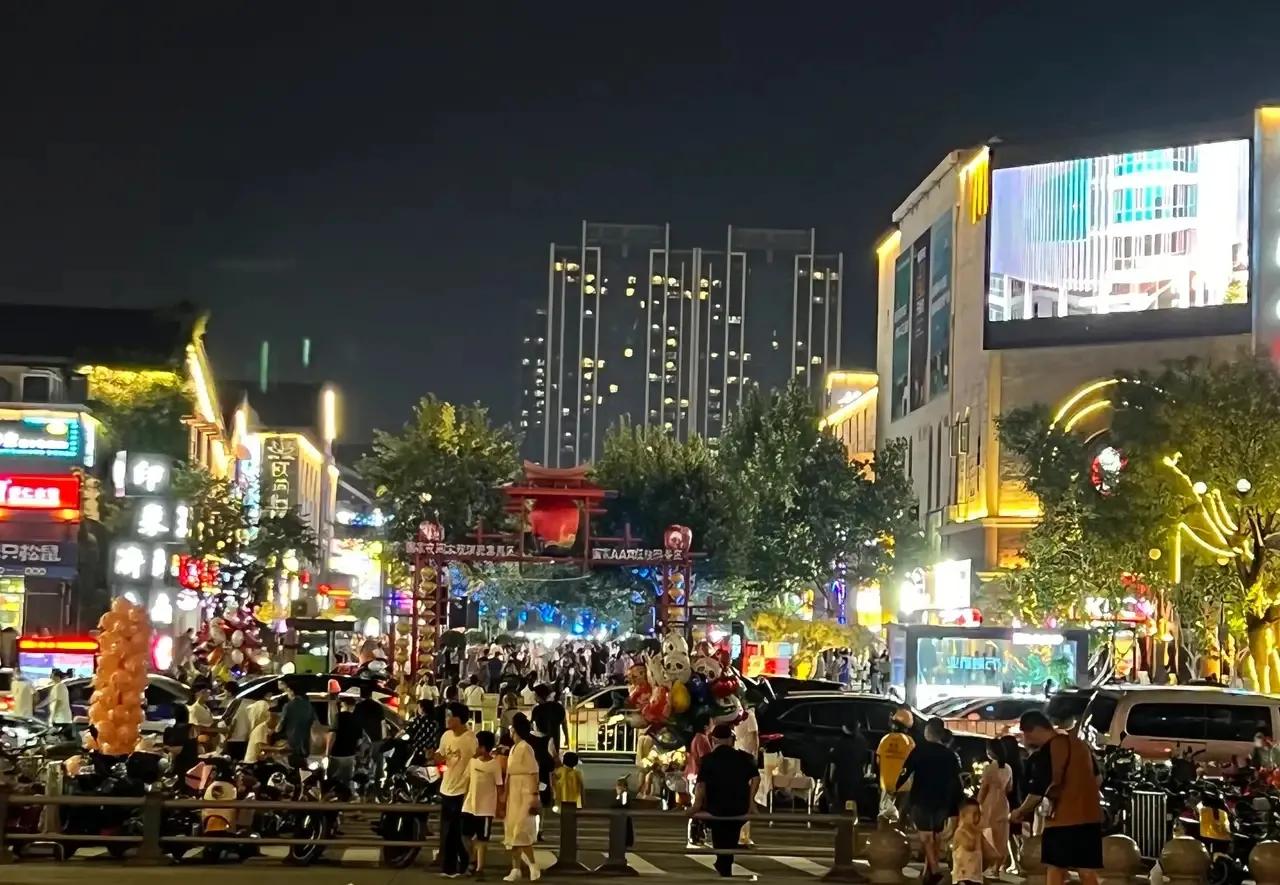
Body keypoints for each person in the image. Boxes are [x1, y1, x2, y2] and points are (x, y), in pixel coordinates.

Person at [1011, 710, 1102, 885]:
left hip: (1062, 819)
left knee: (1055, 868)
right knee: (1086, 869)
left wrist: (1020, 811)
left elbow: (1038, 791)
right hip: (1090, 816)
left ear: (1035, 729)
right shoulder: (1080, 744)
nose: (1026, 739)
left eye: (1026, 733)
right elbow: (1097, 779)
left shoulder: (1047, 751)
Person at [896, 717, 962, 885]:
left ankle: (935, 871)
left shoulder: (919, 751)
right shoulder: (950, 755)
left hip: (922, 799)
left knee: (926, 837)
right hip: (942, 801)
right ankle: (928, 872)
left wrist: (895, 786)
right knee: (935, 835)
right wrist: (955, 806)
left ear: (928, 731)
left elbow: (905, 771)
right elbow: (956, 782)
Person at [691, 723, 760, 878]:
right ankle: (724, 865)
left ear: (714, 740)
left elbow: (701, 785)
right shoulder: (744, 758)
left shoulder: (708, 760)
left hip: (716, 807)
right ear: (730, 739)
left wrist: (696, 805)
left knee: (720, 836)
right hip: (739, 806)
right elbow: (756, 778)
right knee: (731, 836)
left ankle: (723, 865)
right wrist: (751, 802)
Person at [437, 701, 479, 878]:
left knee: (457, 831)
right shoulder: (446, 736)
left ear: (459, 719)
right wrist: (434, 756)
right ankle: (451, 867)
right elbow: (441, 755)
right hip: (447, 787)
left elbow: (476, 762)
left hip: (463, 790)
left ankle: (460, 866)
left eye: (449, 716)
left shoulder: (470, 740)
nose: (446, 719)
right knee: (447, 831)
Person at [504, 713, 542, 882]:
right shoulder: (513, 748)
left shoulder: (526, 748)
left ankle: (533, 865)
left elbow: (534, 772)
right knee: (512, 831)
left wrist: (534, 795)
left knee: (521, 830)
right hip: (513, 793)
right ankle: (516, 868)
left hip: (525, 792)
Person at [463, 729, 504, 880]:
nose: (475, 748)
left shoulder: (494, 765)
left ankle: (479, 868)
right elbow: (467, 781)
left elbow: (499, 787)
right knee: (465, 835)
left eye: (477, 745)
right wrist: (464, 799)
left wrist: (500, 807)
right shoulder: (472, 762)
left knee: (482, 839)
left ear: (484, 747)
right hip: (469, 806)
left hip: (486, 808)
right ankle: (472, 860)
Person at [978, 737, 1012, 875]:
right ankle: (997, 867)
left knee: (987, 833)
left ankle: (987, 865)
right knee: (1002, 836)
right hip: (1003, 803)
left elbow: (983, 789)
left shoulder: (989, 767)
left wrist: (978, 803)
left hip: (990, 802)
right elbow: (1010, 788)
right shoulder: (1008, 768)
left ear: (991, 751)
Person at [876, 706, 915, 820]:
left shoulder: (885, 739)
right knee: (900, 819)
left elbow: (878, 761)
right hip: (903, 786)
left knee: (884, 818)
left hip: (886, 786)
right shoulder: (909, 742)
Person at [685, 718, 714, 848]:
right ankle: (694, 836)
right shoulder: (702, 738)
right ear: (705, 725)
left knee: (697, 805)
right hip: (698, 776)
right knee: (698, 806)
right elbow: (704, 759)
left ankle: (697, 836)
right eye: (711, 722)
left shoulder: (697, 737)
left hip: (694, 774)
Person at [278, 677, 317, 766]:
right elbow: (314, 722)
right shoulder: (309, 705)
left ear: (291, 691)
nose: (287, 694)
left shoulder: (288, 706)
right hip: (306, 744)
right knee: (303, 767)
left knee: (293, 767)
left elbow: (279, 727)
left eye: (287, 691)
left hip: (292, 744)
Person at [326, 697, 363, 786]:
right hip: (350, 755)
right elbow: (359, 741)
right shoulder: (358, 719)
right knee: (347, 781)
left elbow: (332, 735)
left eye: (341, 705)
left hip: (336, 754)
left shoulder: (338, 717)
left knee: (332, 779)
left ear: (345, 705)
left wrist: (327, 752)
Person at [952, 798, 989, 885]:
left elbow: (989, 853)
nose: (978, 817)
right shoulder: (960, 832)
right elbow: (970, 845)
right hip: (963, 877)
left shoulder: (978, 833)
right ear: (963, 815)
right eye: (975, 814)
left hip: (976, 877)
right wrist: (977, 834)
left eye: (979, 814)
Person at [164, 703, 200, 777]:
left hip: (182, 767)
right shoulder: (192, 727)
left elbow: (178, 750)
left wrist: (166, 748)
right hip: (194, 764)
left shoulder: (175, 730)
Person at [405, 698, 443, 765]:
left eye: (419, 707)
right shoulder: (435, 723)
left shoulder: (419, 720)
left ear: (422, 709)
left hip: (415, 752)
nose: (417, 709)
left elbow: (409, 732)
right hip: (427, 753)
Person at [46, 669, 73, 740]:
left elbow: (57, 702)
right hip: (63, 717)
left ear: (57, 676)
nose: (50, 677)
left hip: (60, 718)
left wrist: (52, 716)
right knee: (63, 738)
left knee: (54, 737)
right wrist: (39, 706)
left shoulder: (59, 686)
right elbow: (49, 699)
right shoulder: (60, 686)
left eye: (52, 675)